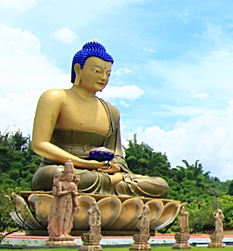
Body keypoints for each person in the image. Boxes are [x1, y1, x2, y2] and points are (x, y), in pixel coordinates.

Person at [30, 41, 169, 198]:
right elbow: (39, 144)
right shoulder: (55, 97)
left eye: (108, 74)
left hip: (99, 172)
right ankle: (111, 186)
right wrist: (83, 164)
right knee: (58, 175)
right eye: (97, 71)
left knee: (159, 185)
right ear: (78, 69)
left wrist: (116, 168)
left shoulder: (111, 111)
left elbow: (117, 154)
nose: (103, 77)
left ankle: (110, 185)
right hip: (64, 168)